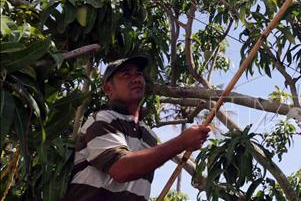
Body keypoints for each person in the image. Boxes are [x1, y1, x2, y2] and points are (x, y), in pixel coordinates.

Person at [62, 56, 210, 201]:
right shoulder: (101, 120)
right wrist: (181, 143)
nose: (137, 79)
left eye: (139, 74)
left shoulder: (148, 135)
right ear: (108, 89)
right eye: (126, 74)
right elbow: (121, 169)